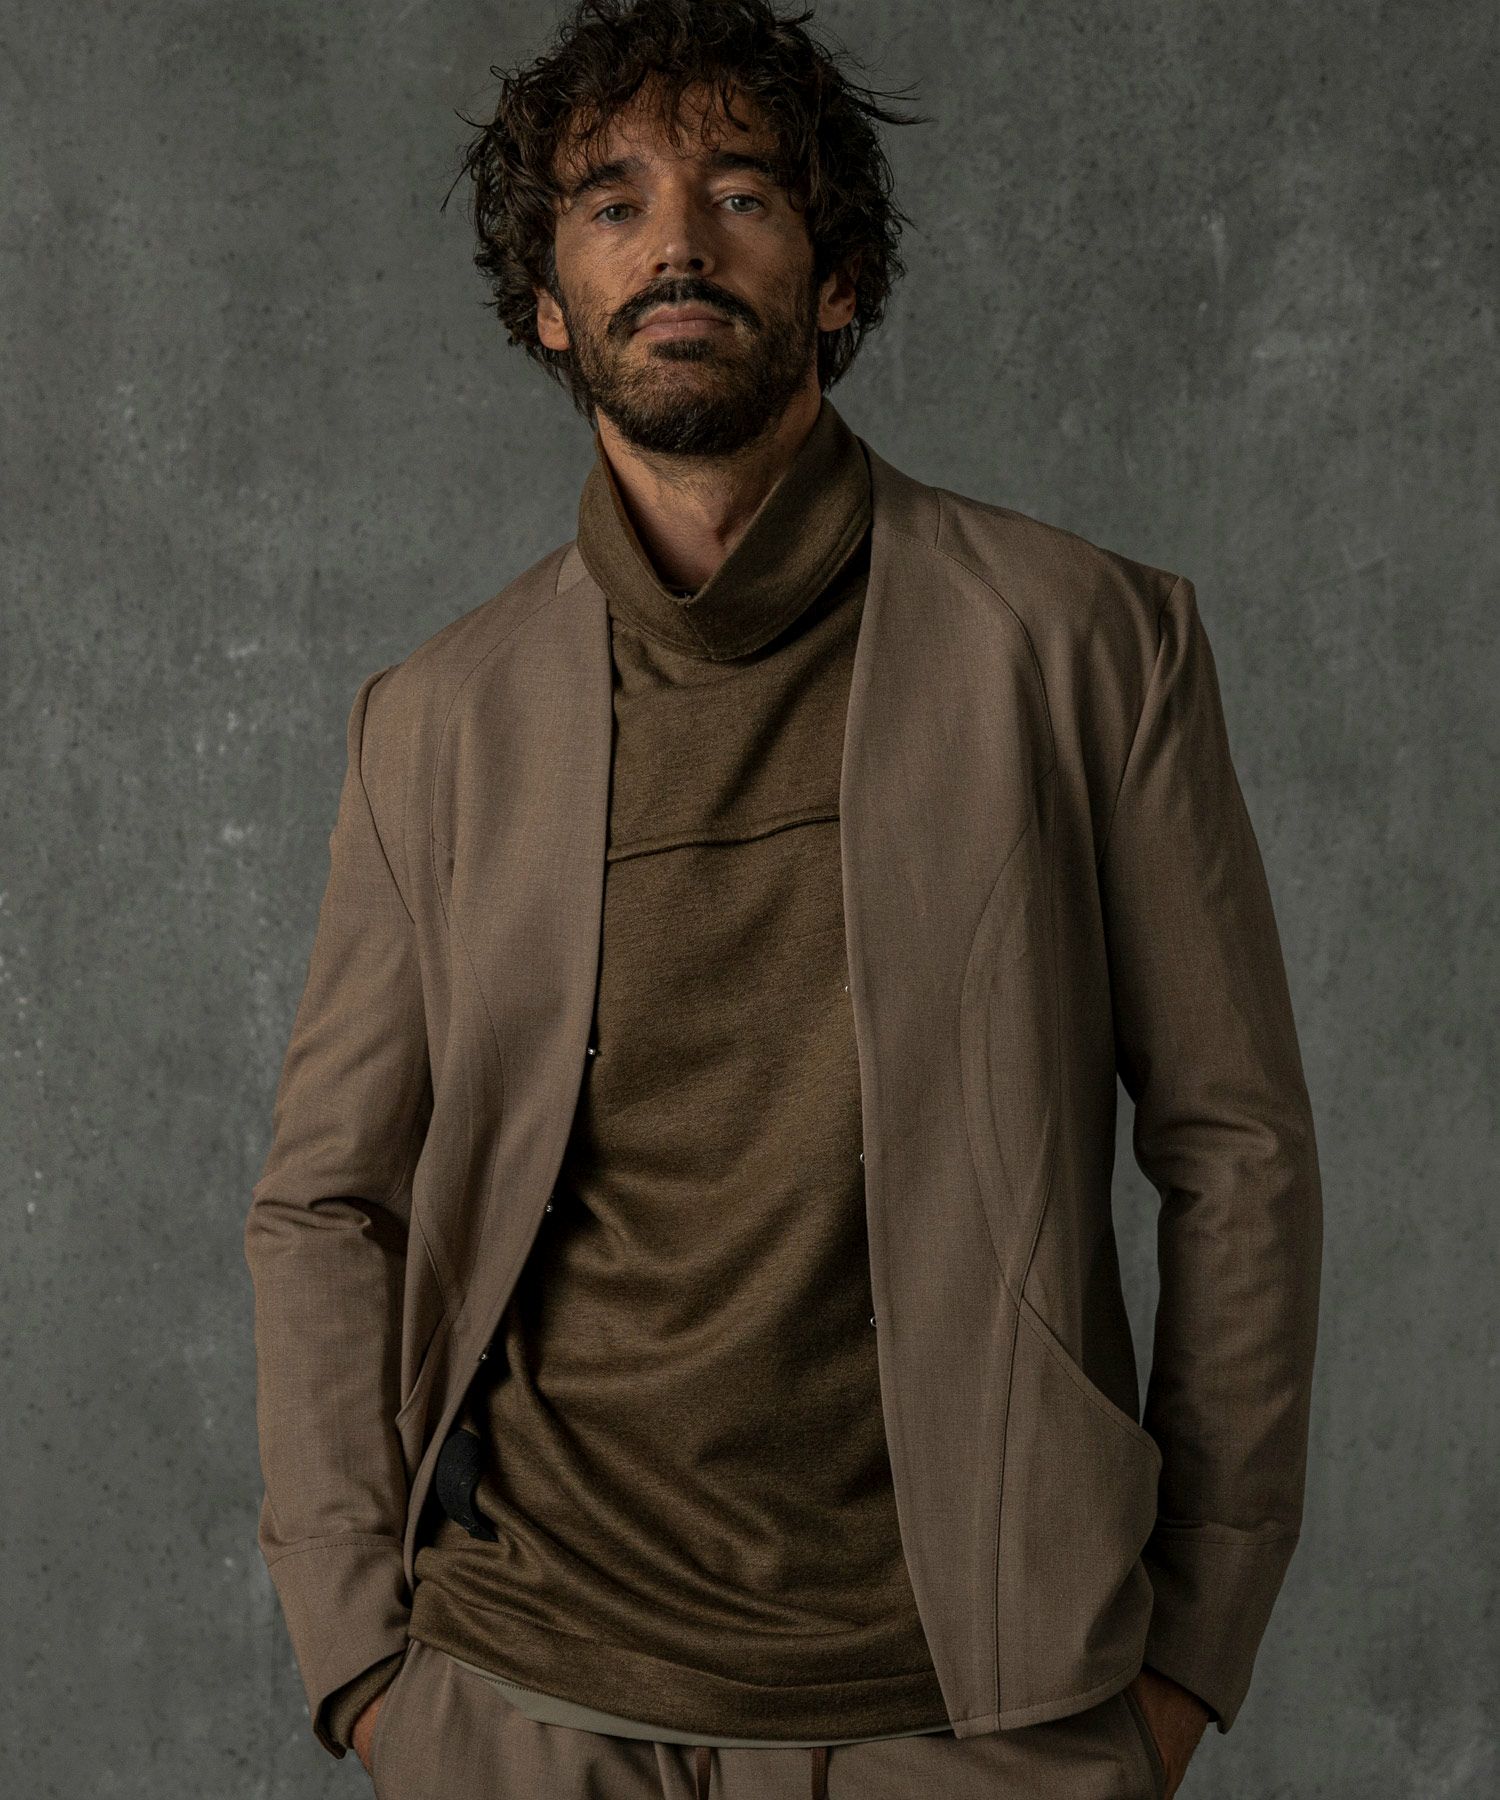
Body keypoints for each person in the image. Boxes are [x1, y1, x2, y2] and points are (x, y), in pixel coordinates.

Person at [244, 3, 1323, 1796]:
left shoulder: (1085, 645)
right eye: (611, 204)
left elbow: (1237, 1149)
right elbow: (321, 1201)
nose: (675, 242)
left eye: (741, 193)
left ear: (837, 279)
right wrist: (363, 1658)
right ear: (548, 302)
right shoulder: (431, 726)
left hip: (977, 1708)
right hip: (526, 1700)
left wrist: (1194, 1645)